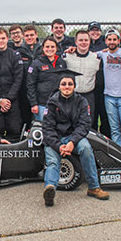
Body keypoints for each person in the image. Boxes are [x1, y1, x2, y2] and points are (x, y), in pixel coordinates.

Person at [42, 70, 110, 206]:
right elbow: (47, 128)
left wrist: (72, 142)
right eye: (64, 84)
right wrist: (58, 145)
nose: (67, 86)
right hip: (55, 139)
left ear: (74, 86)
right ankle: (49, 190)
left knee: (86, 149)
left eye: (70, 84)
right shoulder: (51, 102)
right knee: (53, 162)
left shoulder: (82, 101)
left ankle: (93, 187)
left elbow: (84, 125)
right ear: (59, 86)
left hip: (74, 137)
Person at [97, 29, 121, 150]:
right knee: (114, 129)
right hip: (109, 96)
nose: (112, 42)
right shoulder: (103, 54)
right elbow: (88, 53)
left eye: (114, 39)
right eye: (109, 39)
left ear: (119, 40)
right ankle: (119, 156)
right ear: (106, 41)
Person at [63, 30, 101, 126]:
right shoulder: (67, 56)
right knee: (70, 122)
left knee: (88, 123)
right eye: (80, 40)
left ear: (89, 41)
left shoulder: (96, 58)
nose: (83, 43)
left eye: (86, 40)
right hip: (71, 95)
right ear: (76, 42)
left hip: (88, 95)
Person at [27, 37, 68, 122]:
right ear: (43, 48)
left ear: (56, 48)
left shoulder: (62, 63)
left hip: (59, 104)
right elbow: (30, 85)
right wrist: (33, 104)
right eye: (47, 47)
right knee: (43, 130)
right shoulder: (36, 64)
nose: (50, 49)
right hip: (42, 104)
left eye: (52, 47)